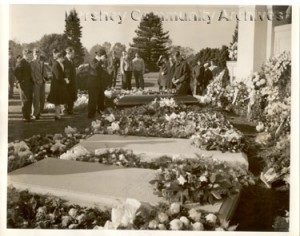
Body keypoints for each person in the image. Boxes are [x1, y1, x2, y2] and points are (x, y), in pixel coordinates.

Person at [47, 51, 70, 121]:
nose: (63, 59)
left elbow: (61, 74)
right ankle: (57, 115)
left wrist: (65, 78)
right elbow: (58, 76)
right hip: (56, 85)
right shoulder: (56, 64)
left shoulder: (59, 64)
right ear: (59, 57)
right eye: (62, 58)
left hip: (59, 85)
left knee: (58, 101)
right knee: (57, 101)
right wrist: (65, 80)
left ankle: (58, 115)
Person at [14, 49, 34, 122]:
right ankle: (25, 117)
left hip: (29, 84)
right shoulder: (21, 61)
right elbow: (16, 72)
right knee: (25, 100)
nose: (31, 55)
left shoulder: (27, 62)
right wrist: (20, 81)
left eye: (31, 54)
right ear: (25, 54)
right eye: (29, 54)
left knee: (29, 100)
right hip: (24, 85)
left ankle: (27, 116)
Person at [87, 49, 107, 118]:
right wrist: (101, 61)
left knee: (101, 98)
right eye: (104, 56)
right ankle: (91, 114)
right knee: (93, 99)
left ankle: (100, 111)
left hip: (99, 83)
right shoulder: (93, 61)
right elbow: (95, 67)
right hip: (93, 84)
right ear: (100, 56)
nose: (104, 58)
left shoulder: (99, 62)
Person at [30, 48, 46, 120]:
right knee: (36, 99)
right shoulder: (32, 63)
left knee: (42, 98)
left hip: (42, 82)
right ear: (33, 54)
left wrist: (44, 78)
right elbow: (32, 73)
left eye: (38, 53)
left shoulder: (42, 62)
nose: (37, 55)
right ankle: (35, 114)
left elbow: (44, 72)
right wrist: (35, 81)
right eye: (35, 53)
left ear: (40, 54)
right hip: (36, 83)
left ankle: (39, 112)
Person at [63, 47, 77, 115]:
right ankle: (65, 110)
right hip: (66, 82)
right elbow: (64, 72)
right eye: (72, 53)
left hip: (72, 82)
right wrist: (66, 80)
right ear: (68, 53)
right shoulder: (64, 61)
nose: (73, 55)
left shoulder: (71, 61)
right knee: (65, 95)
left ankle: (70, 110)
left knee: (71, 95)